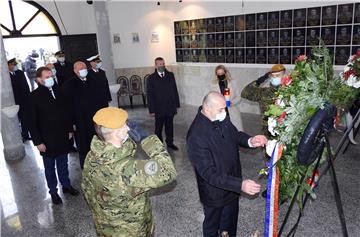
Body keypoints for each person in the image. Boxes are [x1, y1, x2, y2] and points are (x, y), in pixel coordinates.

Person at [81, 107, 177, 237]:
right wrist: (146, 139)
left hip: (104, 228)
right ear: (117, 133)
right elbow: (168, 171)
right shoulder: (129, 169)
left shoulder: (91, 156)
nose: (128, 128)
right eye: (125, 125)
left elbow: (87, 191)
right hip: (132, 231)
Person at [186, 91, 267, 237]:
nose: (224, 112)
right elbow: (209, 173)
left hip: (232, 185)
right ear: (207, 108)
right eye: (221, 109)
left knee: (229, 225)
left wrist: (250, 140)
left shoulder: (220, 116)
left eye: (225, 108)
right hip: (215, 193)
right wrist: (240, 185)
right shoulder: (196, 135)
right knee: (213, 227)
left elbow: (234, 134)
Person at [27, 67, 79, 204]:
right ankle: (54, 192)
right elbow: (31, 123)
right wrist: (38, 142)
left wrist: (69, 130)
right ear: (39, 80)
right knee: (50, 168)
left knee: (63, 163)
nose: (51, 78)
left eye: (51, 76)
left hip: (62, 135)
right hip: (46, 139)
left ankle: (66, 185)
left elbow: (66, 112)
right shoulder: (34, 96)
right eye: (47, 77)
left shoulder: (59, 91)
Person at [62, 61, 108, 169]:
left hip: (96, 121)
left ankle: (100, 168)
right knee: (83, 148)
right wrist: (70, 124)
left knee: (98, 144)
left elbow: (103, 100)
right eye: (80, 68)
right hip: (80, 122)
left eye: (84, 67)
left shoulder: (95, 81)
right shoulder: (68, 86)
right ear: (75, 71)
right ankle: (86, 169)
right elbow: (66, 108)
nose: (83, 70)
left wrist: (104, 118)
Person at [147, 57, 180, 151]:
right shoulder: (151, 78)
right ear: (155, 65)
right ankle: (159, 145)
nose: (161, 65)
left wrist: (176, 104)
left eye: (163, 64)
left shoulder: (170, 75)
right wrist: (151, 110)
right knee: (158, 128)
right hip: (158, 108)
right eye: (159, 64)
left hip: (170, 106)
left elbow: (174, 89)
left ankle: (170, 143)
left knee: (169, 126)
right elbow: (150, 95)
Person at [241, 64, 286, 133]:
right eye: (273, 76)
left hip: (285, 131)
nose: (275, 78)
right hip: (267, 131)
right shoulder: (264, 92)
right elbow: (245, 92)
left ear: (284, 76)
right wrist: (260, 81)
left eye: (277, 75)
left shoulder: (290, 92)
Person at [211, 65, 243, 131]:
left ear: (225, 73)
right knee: (222, 130)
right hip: (220, 110)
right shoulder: (213, 84)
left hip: (232, 109)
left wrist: (232, 102)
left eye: (222, 73)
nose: (220, 75)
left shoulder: (233, 82)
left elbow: (239, 96)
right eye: (218, 74)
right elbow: (212, 97)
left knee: (235, 130)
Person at [8, 58, 31, 141]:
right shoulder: (6, 75)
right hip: (13, 101)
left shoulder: (20, 72)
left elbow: (26, 85)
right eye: (13, 64)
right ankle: (17, 137)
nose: (15, 66)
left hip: (24, 100)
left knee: (25, 118)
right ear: (8, 66)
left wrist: (29, 97)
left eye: (15, 64)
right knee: (15, 120)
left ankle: (25, 135)